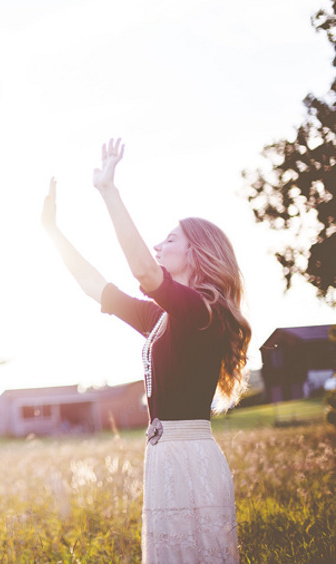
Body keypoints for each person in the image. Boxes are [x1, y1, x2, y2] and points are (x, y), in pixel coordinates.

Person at [41, 139, 250, 563]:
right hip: (164, 458)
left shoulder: (203, 312)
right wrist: (53, 232)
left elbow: (143, 270)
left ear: (196, 251)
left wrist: (108, 191)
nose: (158, 246)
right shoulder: (163, 316)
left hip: (191, 459)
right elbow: (95, 286)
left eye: (170, 239)